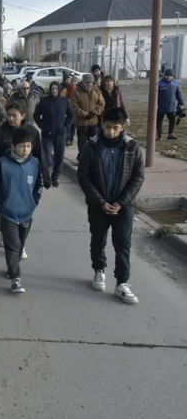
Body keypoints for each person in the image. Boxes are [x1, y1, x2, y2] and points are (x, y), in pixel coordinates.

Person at [77, 107, 144, 304]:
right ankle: (99, 270)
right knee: (98, 239)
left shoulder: (132, 147)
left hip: (123, 206)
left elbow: (138, 177)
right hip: (98, 206)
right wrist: (100, 202)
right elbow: (84, 176)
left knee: (123, 243)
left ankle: (122, 283)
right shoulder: (92, 146)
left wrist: (121, 202)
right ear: (102, 124)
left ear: (123, 127)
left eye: (115, 128)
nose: (111, 132)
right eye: (107, 127)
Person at [0, 127, 44, 294]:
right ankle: (15, 278)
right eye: (21, 146)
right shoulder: (2, 164)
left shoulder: (35, 164)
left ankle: (12, 267)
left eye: (28, 146)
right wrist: (2, 202)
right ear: (13, 146)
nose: (25, 150)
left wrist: (33, 201)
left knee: (20, 245)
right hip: (8, 214)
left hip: (27, 213)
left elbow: (39, 185)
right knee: (12, 246)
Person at [33, 82, 75, 187]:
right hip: (47, 134)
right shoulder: (44, 101)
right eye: (52, 88)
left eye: (56, 89)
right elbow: (36, 115)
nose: (54, 91)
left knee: (59, 157)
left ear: (59, 89)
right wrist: (42, 126)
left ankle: (55, 177)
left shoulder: (64, 101)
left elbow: (71, 115)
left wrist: (66, 126)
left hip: (61, 134)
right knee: (47, 159)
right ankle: (45, 177)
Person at [71, 73, 105, 155]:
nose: (89, 84)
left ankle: (92, 158)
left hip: (93, 122)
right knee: (82, 142)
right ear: (83, 82)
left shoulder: (97, 91)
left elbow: (102, 103)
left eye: (91, 82)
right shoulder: (76, 91)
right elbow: (73, 106)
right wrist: (85, 114)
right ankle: (82, 157)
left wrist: (94, 112)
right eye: (87, 82)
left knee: (93, 142)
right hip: (82, 123)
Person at [157, 68, 184, 141]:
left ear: (173, 76)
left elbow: (178, 94)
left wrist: (181, 103)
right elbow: (155, 95)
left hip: (172, 107)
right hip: (161, 107)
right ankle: (159, 135)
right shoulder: (160, 83)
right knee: (159, 121)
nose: (168, 77)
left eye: (170, 76)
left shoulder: (175, 83)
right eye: (167, 76)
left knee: (173, 121)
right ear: (164, 75)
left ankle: (170, 134)